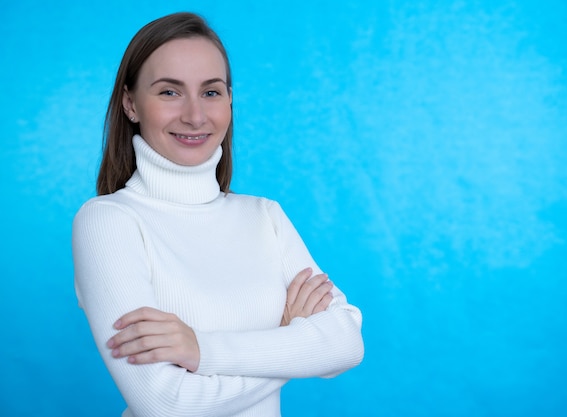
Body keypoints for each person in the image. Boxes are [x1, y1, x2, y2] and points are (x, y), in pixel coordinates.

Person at [72, 11, 364, 417]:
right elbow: (166, 404)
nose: (195, 115)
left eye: (211, 92)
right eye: (169, 92)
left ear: (229, 100)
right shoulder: (108, 221)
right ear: (130, 103)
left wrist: (201, 349)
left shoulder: (265, 217)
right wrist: (289, 343)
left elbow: (347, 342)